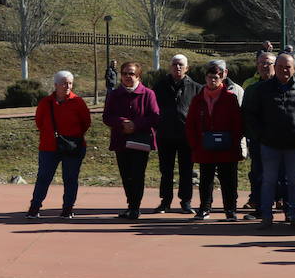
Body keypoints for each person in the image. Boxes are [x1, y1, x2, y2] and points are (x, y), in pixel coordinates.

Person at [242, 52, 295, 231]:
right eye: (280, 66)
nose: (284, 70)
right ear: (275, 68)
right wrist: (260, 135)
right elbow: (250, 114)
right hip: (269, 145)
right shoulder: (262, 89)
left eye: (288, 67)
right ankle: (266, 217)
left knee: (294, 182)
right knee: (268, 181)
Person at [29, 71, 92, 218]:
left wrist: (72, 136)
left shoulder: (78, 102)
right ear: (56, 85)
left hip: (72, 146)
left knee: (70, 178)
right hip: (49, 147)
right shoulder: (46, 102)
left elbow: (86, 123)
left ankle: (67, 208)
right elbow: (39, 122)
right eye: (64, 83)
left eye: (70, 83)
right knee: (43, 177)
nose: (67, 86)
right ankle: (35, 207)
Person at [186, 60, 244, 220]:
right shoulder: (197, 99)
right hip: (205, 146)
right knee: (205, 179)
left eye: (216, 78)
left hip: (227, 147)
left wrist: (234, 140)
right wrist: (195, 143)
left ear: (222, 78)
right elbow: (190, 123)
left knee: (229, 180)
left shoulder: (230, 98)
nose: (213, 81)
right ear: (205, 78)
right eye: (210, 77)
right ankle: (204, 208)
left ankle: (230, 210)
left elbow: (238, 123)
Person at [102, 61, 159, 219]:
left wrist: (136, 124)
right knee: (125, 175)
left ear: (138, 76)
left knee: (137, 174)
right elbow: (107, 117)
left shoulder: (148, 94)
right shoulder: (114, 94)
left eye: (131, 73)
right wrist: (122, 123)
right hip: (121, 140)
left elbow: (155, 117)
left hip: (140, 141)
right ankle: (130, 205)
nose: (128, 76)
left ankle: (135, 207)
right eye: (125, 73)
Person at [152, 54, 201, 213]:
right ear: (170, 66)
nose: (177, 67)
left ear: (187, 68)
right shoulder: (159, 86)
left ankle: (186, 202)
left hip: (186, 136)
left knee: (186, 171)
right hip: (165, 135)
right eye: (174, 64)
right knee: (165, 171)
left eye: (180, 65)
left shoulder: (196, 88)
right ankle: (165, 201)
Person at [242, 50, 280, 218]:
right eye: (261, 63)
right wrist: (255, 134)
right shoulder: (251, 88)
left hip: (282, 140)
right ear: (257, 66)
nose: (265, 66)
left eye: (269, 63)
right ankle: (260, 208)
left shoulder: (285, 86)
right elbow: (246, 114)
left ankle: (287, 208)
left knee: (282, 174)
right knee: (257, 173)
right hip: (258, 140)